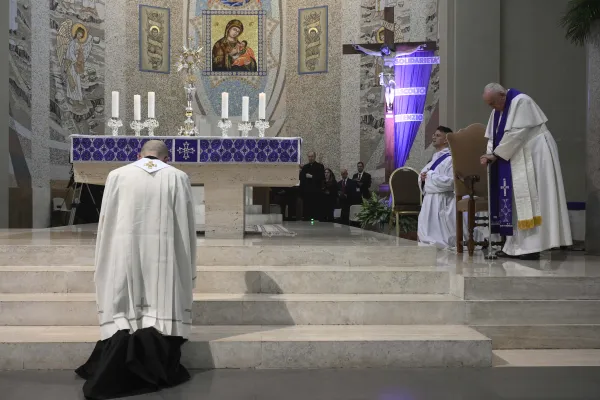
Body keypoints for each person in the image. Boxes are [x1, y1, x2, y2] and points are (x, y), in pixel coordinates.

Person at [76, 140, 197, 399]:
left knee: (125, 292)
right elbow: (187, 226)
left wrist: (105, 259)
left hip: (125, 251)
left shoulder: (118, 175)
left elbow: (107, 220)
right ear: (167, 158)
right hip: (164, 257)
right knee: (161, 296)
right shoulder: (178, 177)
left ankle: (122, 339)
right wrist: (188, 263)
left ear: (138, 154)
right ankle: (157, 354)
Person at [480, 83, 572, 260]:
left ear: (501, 94)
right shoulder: (497, 110)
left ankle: (534, 246)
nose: (492, 107)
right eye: (489, 104)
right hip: (515, 155)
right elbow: (493, 136)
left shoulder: (522, 102)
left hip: (535, 154)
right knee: (515, 200)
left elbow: (518, 134)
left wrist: (496, 154)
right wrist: (489, 153)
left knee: (535, 197)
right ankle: (514, 246)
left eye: (493, 103)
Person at [418, 126, 460, 248]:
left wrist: (429, 176)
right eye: (434, 135)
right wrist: (422, 178)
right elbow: (424, 178)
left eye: (438, 135)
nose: (433, 137)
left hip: (442, 201)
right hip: (430, 200)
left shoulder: (451, 159)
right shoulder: (434, 160)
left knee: (438, 238)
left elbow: (452, 182)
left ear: (447, 139)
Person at [299, 151, 325, 221]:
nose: (310, 158)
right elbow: (302, 179)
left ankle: (315, 218)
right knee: (307, 208)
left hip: (316, 191)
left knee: (315, 208)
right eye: (309, 156)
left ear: (315, 157)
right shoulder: (305, 167)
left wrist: (312, 176)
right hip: (307, 192)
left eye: (312, 156)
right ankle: (307, 218)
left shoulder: (320, 166)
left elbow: (322, 177)